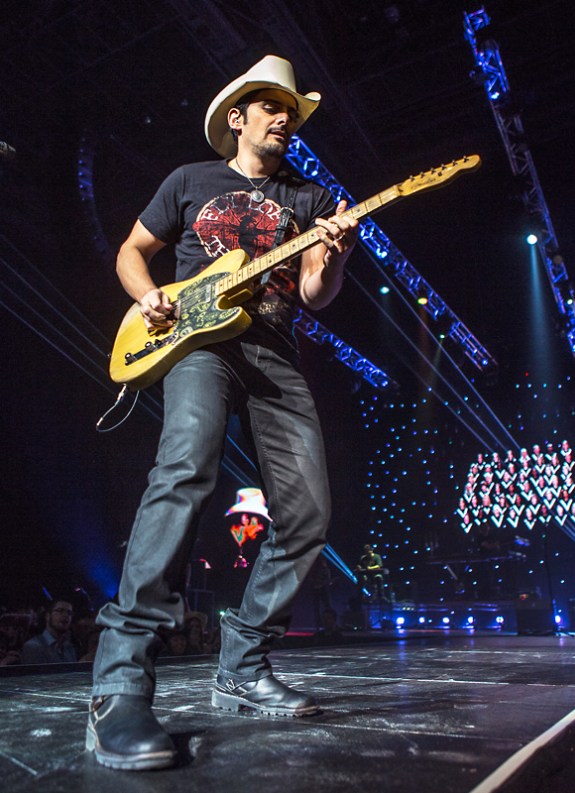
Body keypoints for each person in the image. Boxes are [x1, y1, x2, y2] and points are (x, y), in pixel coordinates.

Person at [86, 54, 359, 771]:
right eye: (271, 106)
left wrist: (330, 257)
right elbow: (131, 252)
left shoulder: (307, 197)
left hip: (273, 353)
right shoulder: (188, 181)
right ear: (238, 117)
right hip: (195, 345)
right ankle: (119, 683)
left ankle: (242, 664)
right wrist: (147, 294)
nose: (284, 118)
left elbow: (313, 294)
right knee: (185, 469)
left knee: (307, 515)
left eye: (291, 111)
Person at [21, 600, 77, 664]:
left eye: (69, 613)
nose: (66, 615)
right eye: (60, 611)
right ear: (47, 616)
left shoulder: (69, 648)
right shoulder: (33, 647)